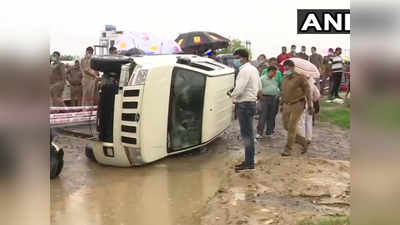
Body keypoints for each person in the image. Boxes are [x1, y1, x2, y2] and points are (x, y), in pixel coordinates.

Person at [227, 49, 261, 171]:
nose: (235, 61)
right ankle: (249, 161)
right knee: (249, 134)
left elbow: (239, 88)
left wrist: (231, 95)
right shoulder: (254, 69)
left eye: (236, 58)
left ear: (243, 58)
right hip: (251, 103)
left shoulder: (244, 70)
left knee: (247, 135)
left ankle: (249, 163)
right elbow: (259, 87)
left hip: (244, 104)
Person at [280, 60, 313, 156]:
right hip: (286, 104)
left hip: (298, 104)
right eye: (285, 68)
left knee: (292, 126)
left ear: (293, 68)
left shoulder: (300, 78)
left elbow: (308, 91)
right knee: (286, 126)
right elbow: (284, 92)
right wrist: (281, 104)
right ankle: (303, 142)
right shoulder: (284, 78)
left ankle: (288, 149)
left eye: (288, 68)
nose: (286, 70)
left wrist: (310, 105)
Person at [256, 66, 280, 138]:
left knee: (271, 116)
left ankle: (269, 132)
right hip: (264, 98)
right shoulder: (262, 79)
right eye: (274, 72)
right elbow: (258, 88)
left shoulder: (274, 79)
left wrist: (277, 94)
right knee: (263, 115)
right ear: (269, 71)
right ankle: (259, 133)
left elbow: (276, 88)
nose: (275, 74)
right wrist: (261, 97)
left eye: (275, 73)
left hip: (273, 99)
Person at [297, 74, 320, 145]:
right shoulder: (312, 85)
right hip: (310, 105)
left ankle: (302, 138)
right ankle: (308, 138)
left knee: (301, 122)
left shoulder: (300, 84)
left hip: (302, 104)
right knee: (309, 122)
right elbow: (317, 96)